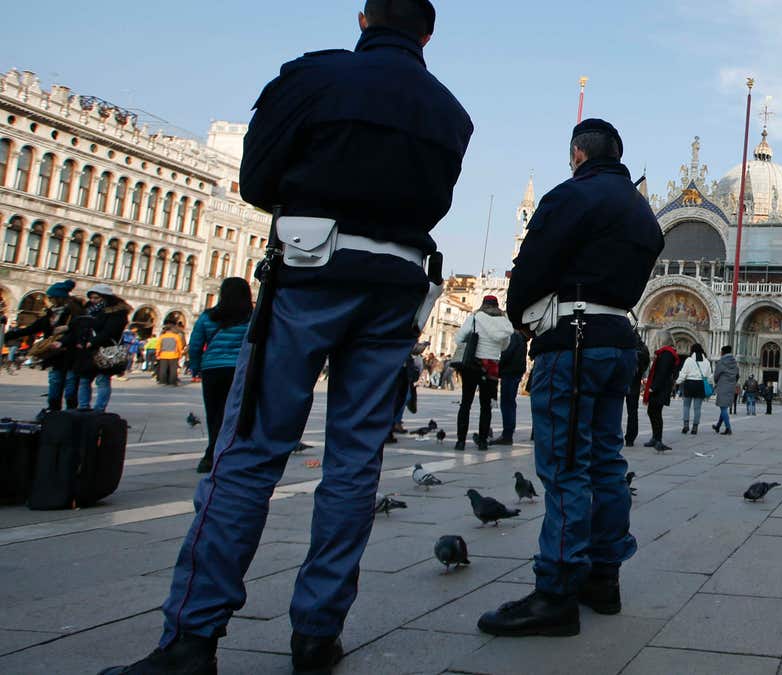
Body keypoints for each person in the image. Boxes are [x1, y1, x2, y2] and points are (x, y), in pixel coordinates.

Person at [101, 2, 472, 673]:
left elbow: (256, 179)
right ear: (427, 33)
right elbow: (436, 201)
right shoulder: (450, 112)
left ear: (363, 20)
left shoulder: (313, 77)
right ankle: (316, 633)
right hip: (394, 289)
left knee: (249, 449)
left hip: (310, 272)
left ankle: (192, 636)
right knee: (355, 462)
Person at [479, 118, 663, 637]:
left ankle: (556, 590)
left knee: (564, 465)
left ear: (578, 155)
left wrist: (520, 315)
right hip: (618, 342)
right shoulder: (642, 214)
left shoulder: (571, 196)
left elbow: (531, 264)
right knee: (607, 460)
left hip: (573, 342)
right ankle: (603, 577)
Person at [188, 278, 253, 474]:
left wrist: (196, 366)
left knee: (214, 412)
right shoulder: (251, 317)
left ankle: (211, 454)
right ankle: (229, 452)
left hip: (212, 370)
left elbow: (195, 344)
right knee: (234, 413)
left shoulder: (208, 317)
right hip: (240, 370)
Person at [5, 279, 84, 413]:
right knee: (55, 382)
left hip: (72, 354)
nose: (50, 300)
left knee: (70, 386)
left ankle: (71, 413)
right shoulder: (50, 313)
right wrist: (9, 335)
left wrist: (64, 338)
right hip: (55, 355)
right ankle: (53, 411)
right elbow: (33, 328)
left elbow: (81, 330)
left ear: (60, 298)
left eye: (52, 298)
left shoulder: (76, 312)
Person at [453, 296, 512, 450]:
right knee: (486, 406)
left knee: (466, 402)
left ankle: (460, 441)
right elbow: (505, 345)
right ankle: (484, 441)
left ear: (483, 304)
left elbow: (459, 339)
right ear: (497, 306)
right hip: (491, 366)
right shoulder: (504, 323)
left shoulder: (474, 318)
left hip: (473, 364)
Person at [69, 284, 131, 413]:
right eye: (91, 298)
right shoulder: (89, 310)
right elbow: (81, 326)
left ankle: (99, 408)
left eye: (96, 298)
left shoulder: (117, 311)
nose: (93, 300)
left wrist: (94, 341)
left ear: (105, 297)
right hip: (88, 349)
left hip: (106, 348)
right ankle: (83, 406)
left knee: (102, 379)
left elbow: (111, 330)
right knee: (85, 378)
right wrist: (81, 341)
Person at [643, 330, 680, 451]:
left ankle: (658, 439)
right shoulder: (665, 353)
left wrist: (654, 387)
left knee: (656, 413)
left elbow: (662, 372)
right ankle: (655, 438)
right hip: (661, 387)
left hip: (660, 389)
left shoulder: (667, 354)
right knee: (652, 412)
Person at [495, 330, 528, 446]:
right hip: (516, 371)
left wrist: (498, 365)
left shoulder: (514, 336)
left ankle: (507, 434)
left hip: (509, 371)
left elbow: (507, 353)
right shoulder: (523, 338)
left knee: (507, 403)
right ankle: (508, 433)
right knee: (510, 402)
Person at [675, 344, 712, 435]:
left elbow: (683, 373)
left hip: (689, 384)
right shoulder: (706, 361)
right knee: (697, 408)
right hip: (700, 385)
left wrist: (677, 382)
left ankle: (686, 426)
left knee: (686, 406)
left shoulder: (689, 360)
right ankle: (695, 428)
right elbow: (709, 376)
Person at [623, 336, 650, 447]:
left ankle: (615, 435)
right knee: (633, 411)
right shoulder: (643, 349)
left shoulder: (626, 345)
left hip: (622, 380)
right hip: (635, 382)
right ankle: (631, 437)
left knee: (615, 408)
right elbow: (646, 364)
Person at [711, 345, 738, 435]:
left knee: (723, 407)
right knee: (724, 407)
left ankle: (728, 428)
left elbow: (716, 374)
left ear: (723, 352)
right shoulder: (734, 362)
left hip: (723, 385)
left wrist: (716, 382)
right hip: (731, 386)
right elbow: (737, 374)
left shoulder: (722, 361)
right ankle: (718, 426)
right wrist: (732, 381)